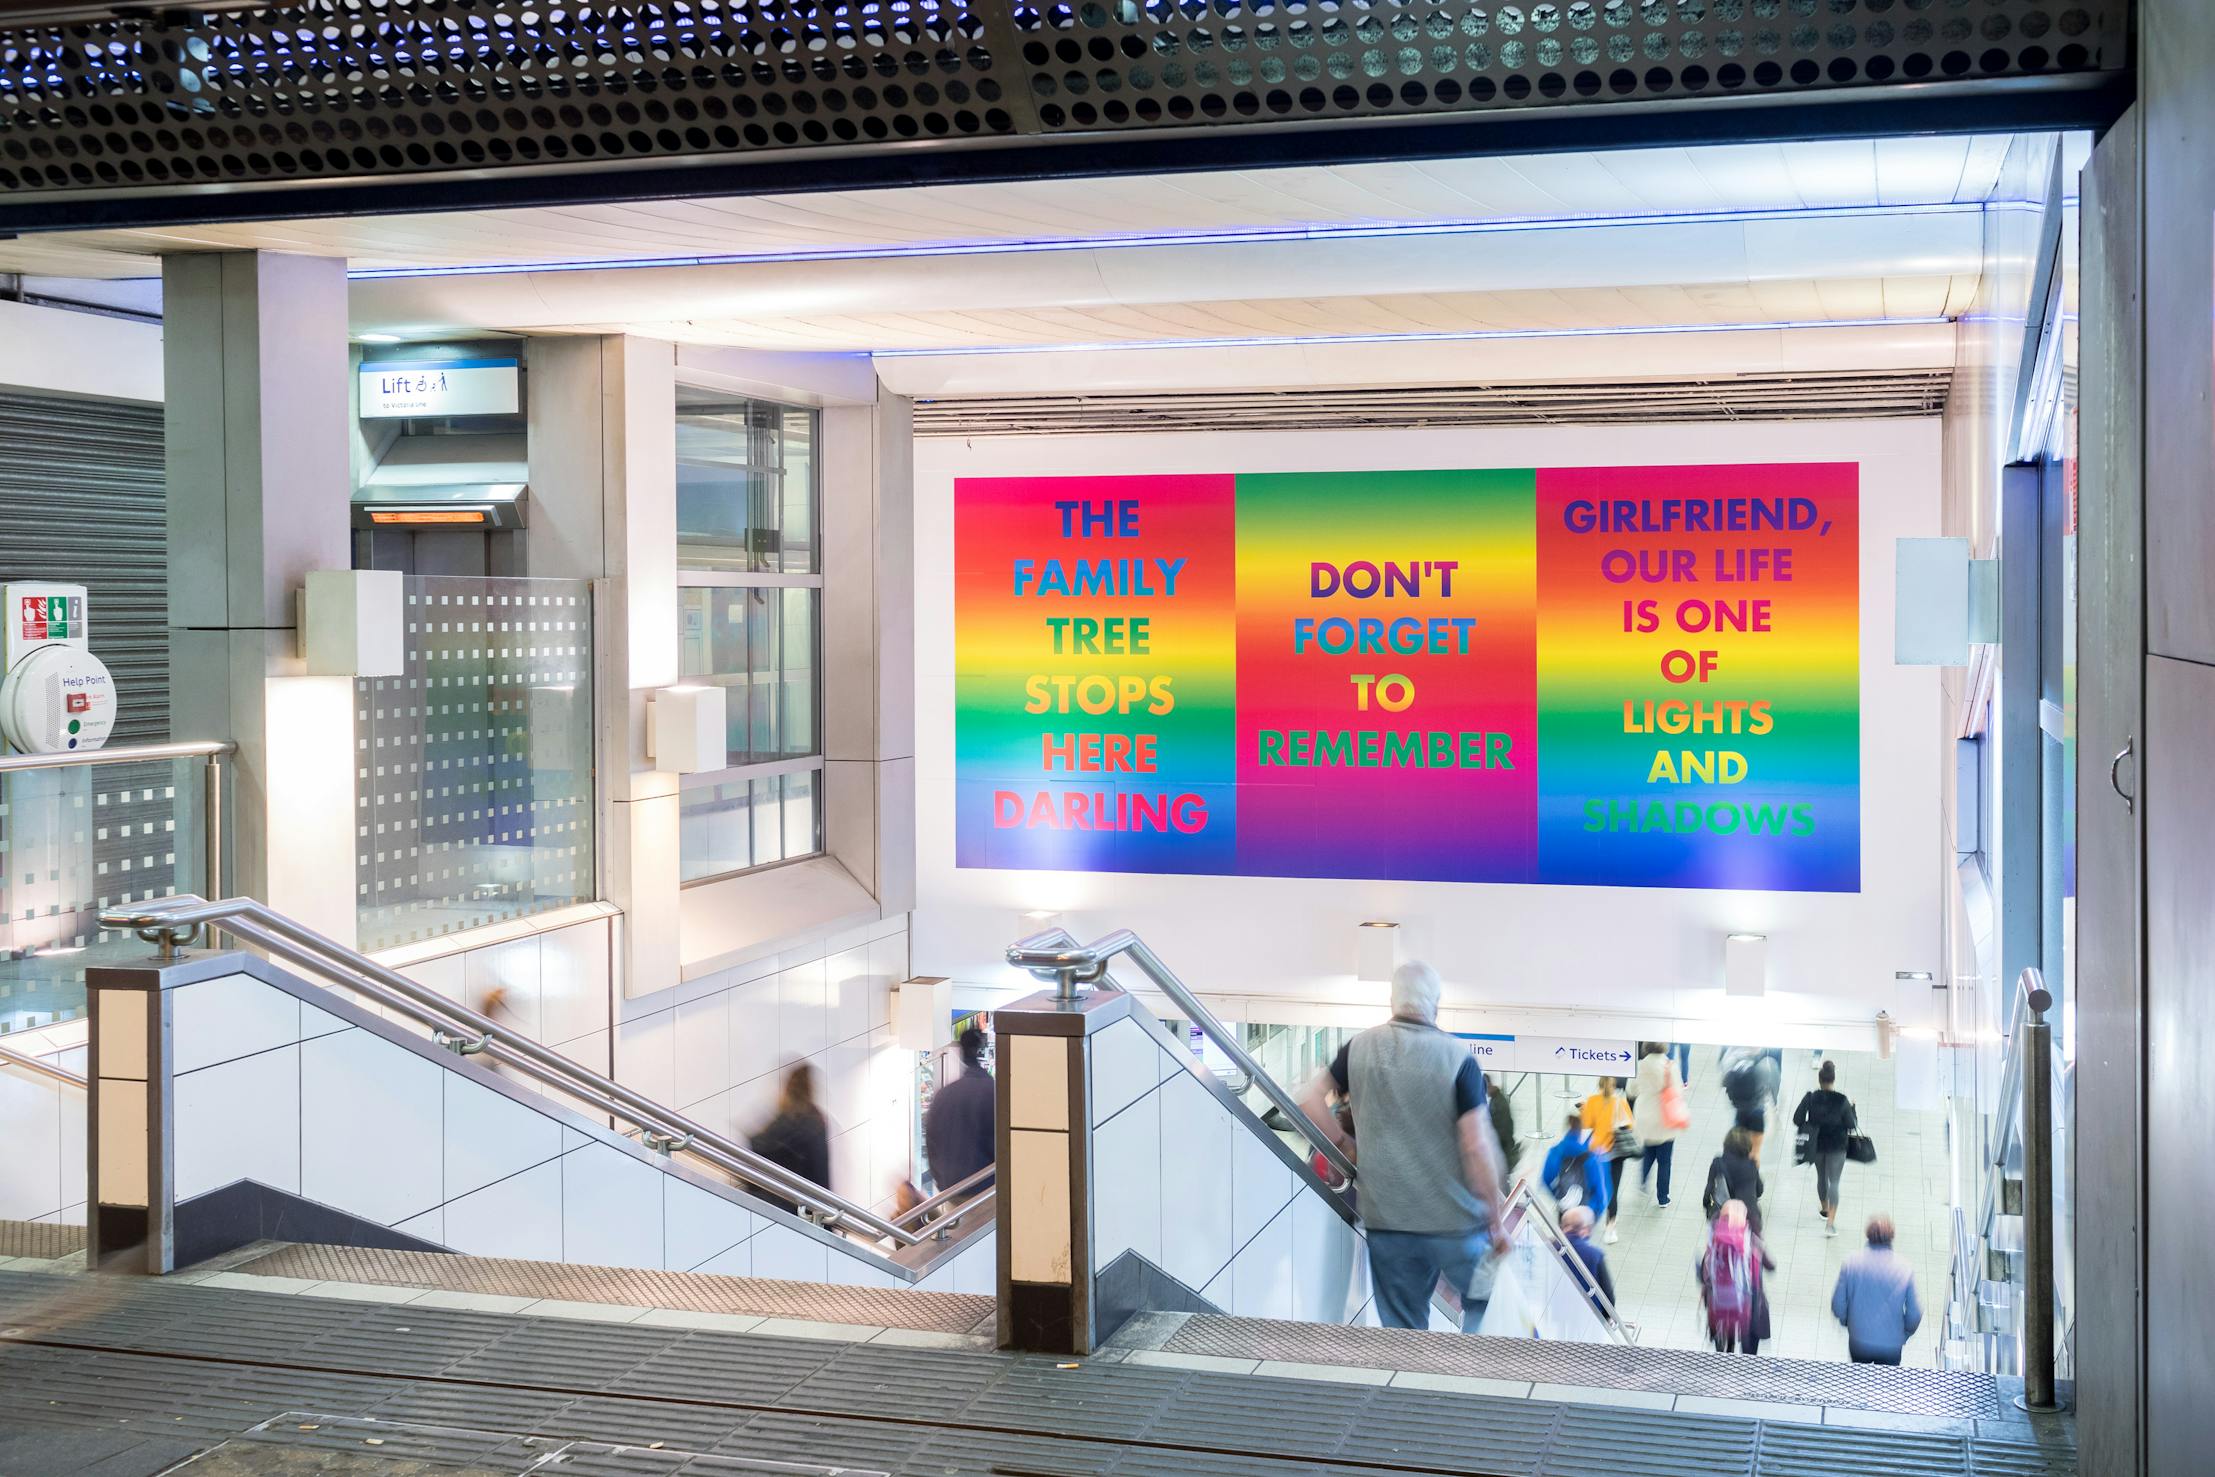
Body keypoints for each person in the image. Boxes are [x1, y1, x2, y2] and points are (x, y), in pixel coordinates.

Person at [1298, 961, 1510, 1332]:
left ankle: (1409, 1385)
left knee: (1404, 1330)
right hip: (1454, 1223)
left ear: (1393, 1000)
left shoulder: (1359, 1047)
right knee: (1487, 1302)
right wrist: (1495, 1220)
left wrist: (1343, 1143)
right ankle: (1474, 1378)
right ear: (1436, 1004)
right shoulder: (1458, 1058)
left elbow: (1309, 1099)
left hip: (1389, 1222)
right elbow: (1476, 1146)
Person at [1832, 1214, 1923, 1364]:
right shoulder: (1904, 1268)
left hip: (1859, 1340)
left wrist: (1847, 1321)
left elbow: (1837, 1304)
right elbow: (1915, 1313)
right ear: (1891, 1237)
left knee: (1859, 1383)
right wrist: (1904, 1333)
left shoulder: (1851, 1263)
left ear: (1868, 1235)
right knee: (1887, 1385)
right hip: (1891, 1345)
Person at [750, 1062, 832, 1216]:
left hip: (771, 1207)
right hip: (802, 1210)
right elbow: (821, 1176)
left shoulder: (777, 1124)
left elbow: (757, 1148)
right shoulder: (815, 1124)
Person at [924, 1025, 996, 1197]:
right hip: (984, 1190)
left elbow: (932, 1141)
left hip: (950, 1189)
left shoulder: (944, 1095)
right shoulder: (992, 1093)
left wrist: (942, 1181)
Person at [1697, 1199, 1772, 1354]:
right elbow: (1771, 1266)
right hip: (1746, 1303)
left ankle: (1723, 1351)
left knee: (1725, 1338)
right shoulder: (1751, 1239)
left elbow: (1704, 1272)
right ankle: (1748, 1362)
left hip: (1719, 1304)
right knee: (1749, 1334)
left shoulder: (1716, 1238)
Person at [1792, 1059, 1858, 1237]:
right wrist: (1853, 1109)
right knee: (1834, 1181)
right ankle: (1830, 1224)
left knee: (1821, 1177)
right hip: (1837, 1146)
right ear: (1833, 1080)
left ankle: (1824, 1209)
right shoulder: (1842, 1100)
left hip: (1817, 1144)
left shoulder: (1811, 1097)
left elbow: (1797, 1119)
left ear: (1819, 1080)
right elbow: (1851, 1125)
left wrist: (1811, 1122)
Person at [1579, 1076, 1633, 1242]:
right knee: (1613, 1190)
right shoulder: (1620, 1102)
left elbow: (1586, 1124)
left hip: (1597, 1152)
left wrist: (1584, 1109)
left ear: (1599, 1085)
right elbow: (1630, 1125)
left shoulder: (1592, 1101)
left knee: (1593, 1187)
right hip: (1616, 1152)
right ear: (1614, 1085)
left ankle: (1587, 1224)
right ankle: (1610, 1229)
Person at [1631, 1042, 1684, 1208]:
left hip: (1644, 1115)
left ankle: (1643, 1180)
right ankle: (1663, 1197)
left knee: (1648, 1150)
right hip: (1665, 1117)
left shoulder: (1639, 1066)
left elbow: (1631, 1091)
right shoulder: (1670, 1066)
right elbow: (1679, 1091)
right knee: (1664, 1160)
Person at [1540, 1114, 1612, 1219]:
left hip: (1565, 1209)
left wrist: (1558, 1196)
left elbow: (1546, 1179)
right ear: (1580, 1132)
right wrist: (1596, 1211)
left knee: (1562, 1234)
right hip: (1584, 1211)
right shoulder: (1590, 1157)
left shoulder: (1555, 1151)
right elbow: (1601, 1191)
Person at [1702, 1125, 1766, 1234]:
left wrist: (1708, 1208)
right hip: (1749, 1219)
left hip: (1723, 1217)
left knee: (1721, 1247)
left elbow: (1709, 1190)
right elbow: (1759, 1191)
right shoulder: (1751, 1165)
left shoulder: (1718, 1163)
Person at [1559, 1204, 1617, 1320]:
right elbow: (1608, 1294)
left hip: (1558, 1314)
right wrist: (1607, 1318)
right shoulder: (1594, 1255)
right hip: (1588, 1318)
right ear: (1585, 1230)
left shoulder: (1548, 1247)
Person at [1720, 1047, 1779, 1160]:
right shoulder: (1763, 1066)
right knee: (1755, 1152)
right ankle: (1753, 1175)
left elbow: (1725, 1082)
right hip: (1757, 1113)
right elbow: (1771, 1090)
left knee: (1739, 1147)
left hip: (1740, 1111)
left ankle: (1740, 1171)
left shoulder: (1734, 1063)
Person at [1486, 1071, 1521, 1175]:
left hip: (1503, 1148)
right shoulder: (1496, 1099)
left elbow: (1504, 1129)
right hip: (1502, 1147)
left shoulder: (1499, 1103)